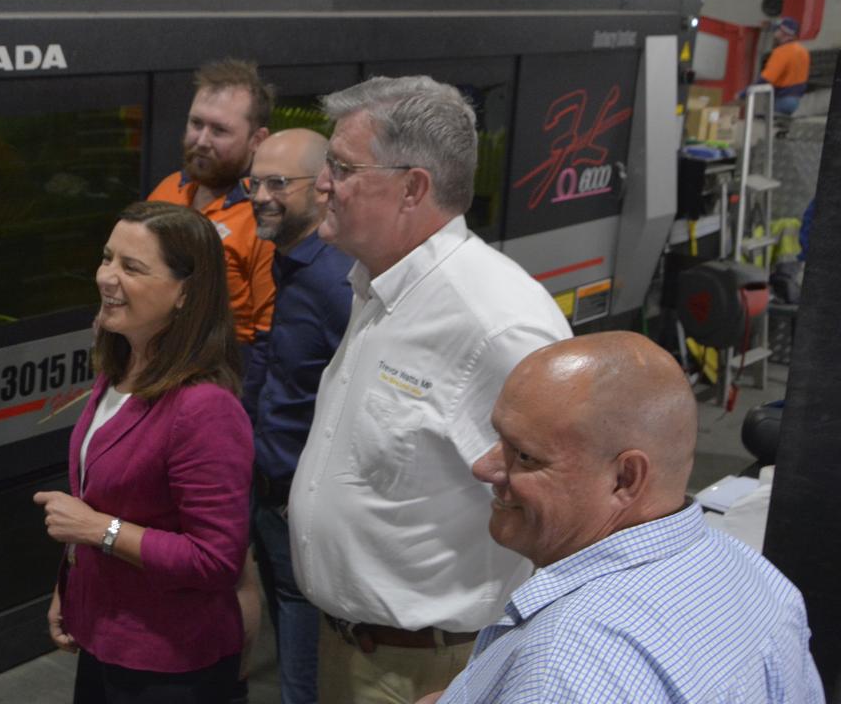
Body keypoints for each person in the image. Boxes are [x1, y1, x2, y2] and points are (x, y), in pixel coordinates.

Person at [286, 76, 572, 704]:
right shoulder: (380, 287)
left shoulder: (494, 322)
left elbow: (572, 516)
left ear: (413, 187)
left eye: (341, 166)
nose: (322, 183)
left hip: (428, 674)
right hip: (352, 648)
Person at [419, 331, 825, 703]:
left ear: (624, 478)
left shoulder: (565, 664)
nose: (485, 468)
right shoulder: (758, 578)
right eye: (499, 439)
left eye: (524, 455)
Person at [33, 201, 253, 703]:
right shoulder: (120, 371)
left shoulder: (204, 409)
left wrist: (96, 531)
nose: (108, 278)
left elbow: (217, 559)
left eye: (132, 268)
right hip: (106, 640)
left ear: (185, 294)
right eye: (107, 258)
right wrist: (70, 585)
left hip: (171, 666)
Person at [243, 128, 353, 704]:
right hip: (268, 490)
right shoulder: (287, 263)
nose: (260, 195)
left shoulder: (337, 283)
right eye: (255, 181)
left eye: (279, 183)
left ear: (324, 189)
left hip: (297, 502)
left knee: (304, 656)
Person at [148, 58, 277, 392]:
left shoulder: (264, 216)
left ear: (257, 139)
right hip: (154, 368)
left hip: (222, 380)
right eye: (196, 124)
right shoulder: (167, 190)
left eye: (219, 130)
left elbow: (269, 339)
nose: (201, 140)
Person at [756, 16, 810, 116]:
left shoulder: (781, 52)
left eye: (777, 30)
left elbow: (767, 78)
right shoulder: (803, 51)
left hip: (782, 99)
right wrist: (769, 25)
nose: (775, 33)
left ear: (784, 33)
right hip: (794, 100)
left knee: (767, 125)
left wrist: (746, 92)